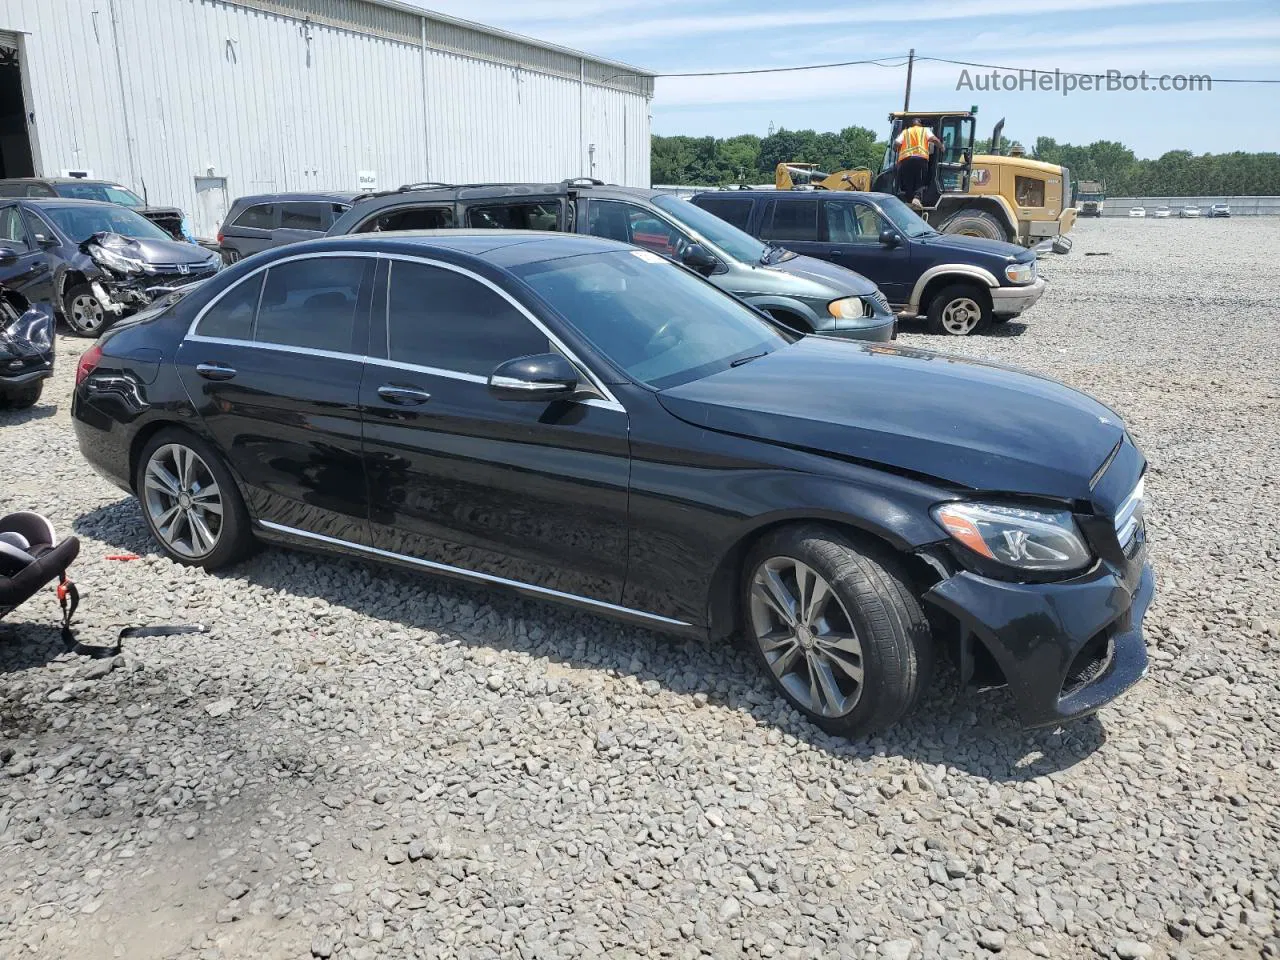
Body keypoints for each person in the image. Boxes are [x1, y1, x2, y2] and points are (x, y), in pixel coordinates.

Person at [894, 118, 941, 203]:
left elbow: (897, 143)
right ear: (920, 124)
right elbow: (934, 139)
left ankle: (909, 200)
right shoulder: (925, 130)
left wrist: (895, 149)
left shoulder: (906, 132)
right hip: (921, 159)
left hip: (906, 160)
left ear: (912, 124)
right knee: (921, 179)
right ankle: (917, 198)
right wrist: (941, 147)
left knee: (908, 180)